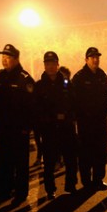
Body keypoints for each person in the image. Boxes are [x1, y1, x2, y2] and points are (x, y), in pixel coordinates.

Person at [0, 43, 35, 204]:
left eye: (8, 57)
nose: (4, 60)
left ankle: (21, 193)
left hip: (19, 130)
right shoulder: (2, 77)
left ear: (16, 59)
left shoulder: (24, 78)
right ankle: (4, 190)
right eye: (3, 57)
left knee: (20, 164)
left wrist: (26, 128)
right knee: (4, 162)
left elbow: (31, 106)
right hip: (4, 128)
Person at [34, 51, 79, 197]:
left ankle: (70, 185)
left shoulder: (67, 84)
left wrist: (68, 117)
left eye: (53, 63)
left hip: (66, 128)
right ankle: (50, 190)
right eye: (47, 64)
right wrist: (50, 118)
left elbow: (74, 104)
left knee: (71, 160)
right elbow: (37, 108)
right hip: (49, 130)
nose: (50, 66)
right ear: (44, 65)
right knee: (49, 163)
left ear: (58, 64)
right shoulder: (39, 86)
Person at [72, 47, 107, 190]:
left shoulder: (102, 75)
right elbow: (74, 100)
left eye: (97, 57)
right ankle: (86, 181)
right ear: (86, 60)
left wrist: (105, 110)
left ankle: (98, 179)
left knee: (100, 152)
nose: (95, 60)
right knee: (86, 153)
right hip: (85, 123)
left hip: (100, 122)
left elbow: (106, 96)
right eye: (92, 57)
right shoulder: (79, 77)